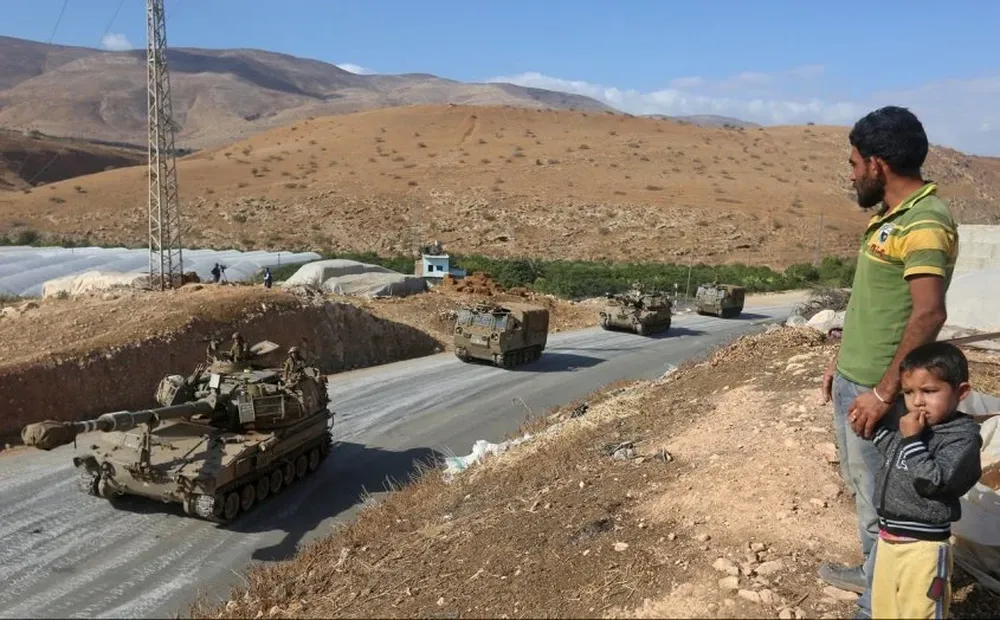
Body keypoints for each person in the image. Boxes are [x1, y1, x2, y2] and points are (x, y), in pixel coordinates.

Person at [819, 106, 958, 619]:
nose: (852, 174)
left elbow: (929, 313)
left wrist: (883, 393)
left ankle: (876, 603)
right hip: (856, 380)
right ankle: (871, 572)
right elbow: (872, 304)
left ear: (877, 164)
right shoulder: (890, 217)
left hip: (883, 393)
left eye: (854, 163)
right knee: (866, 489)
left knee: (889, 500)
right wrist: (840, 363)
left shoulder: (924, 221)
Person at [870, 341, 982, 619]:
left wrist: (912, 441)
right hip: (888, 541)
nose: (917, 401)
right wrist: (872, 424)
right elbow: (891, 449)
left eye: (929, 391)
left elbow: (934, 481)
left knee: (921, 612)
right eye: (909, 392)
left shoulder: (961, 439)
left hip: (924, 548)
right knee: (885, 611)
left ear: (961, 392)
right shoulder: (916, 427)